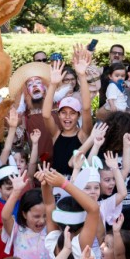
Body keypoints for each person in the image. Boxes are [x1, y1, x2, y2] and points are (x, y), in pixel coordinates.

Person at [42, 47, 93, 176]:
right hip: (57, 184)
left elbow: (86, 108)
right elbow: (46, 115)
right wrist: (53, 84)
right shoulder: (56, 134)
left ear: (78, 115)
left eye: (72, 113)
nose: (67, 117)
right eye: (64, 112)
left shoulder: (83, 134)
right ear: (58, 115)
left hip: (76, 183)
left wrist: (81, 75)